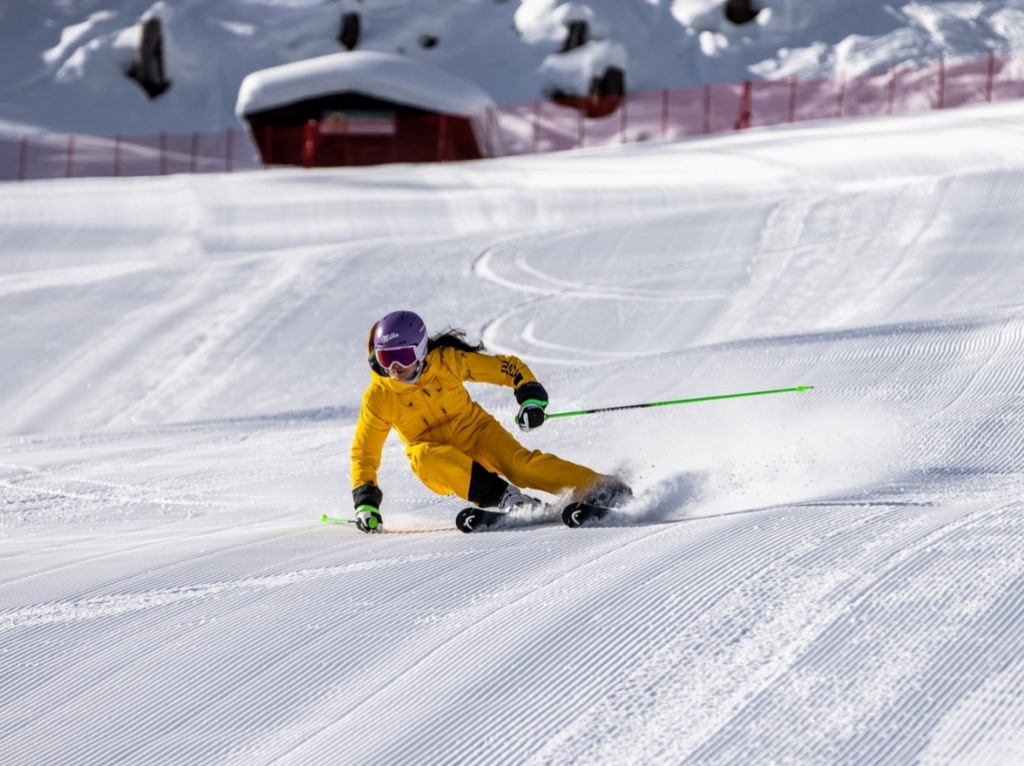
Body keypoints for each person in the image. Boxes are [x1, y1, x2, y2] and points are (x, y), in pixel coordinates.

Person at [350, 310, 631, 533]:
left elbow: (506, 368)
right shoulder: (379, 396)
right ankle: (505, 498)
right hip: (438, 459)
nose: (394, 368)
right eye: (386, 358)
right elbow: (365, 454)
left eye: (402, 356)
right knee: (422, 455)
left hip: (477, 432)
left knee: (521, 466)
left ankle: (600, 487)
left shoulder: (448, 362)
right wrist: (366, 503)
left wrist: (530, 396)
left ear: (421, 351)